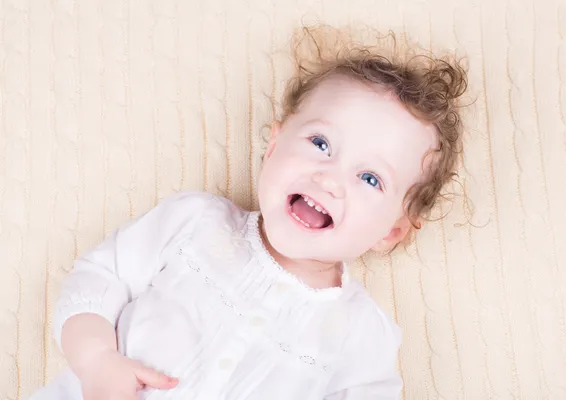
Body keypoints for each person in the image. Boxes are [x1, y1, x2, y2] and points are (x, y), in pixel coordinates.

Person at [30, 26, 467, 400]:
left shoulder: (361, 335)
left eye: (370, 178)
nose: (330, 178)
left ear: (391, 231)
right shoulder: (196, 223)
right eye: (320, 144)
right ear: (274, 145)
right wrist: (97, 359)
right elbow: (100, 277)